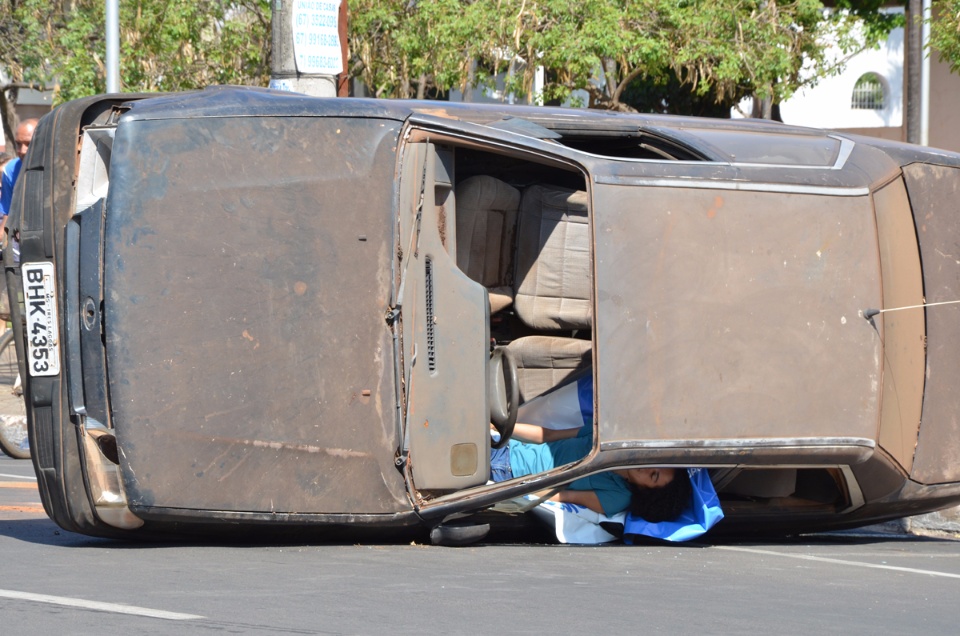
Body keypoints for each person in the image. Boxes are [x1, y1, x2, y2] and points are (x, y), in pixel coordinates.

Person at [490, 422, 692, 522]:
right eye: (654, 464)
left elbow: (561, 496)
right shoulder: (609, 439)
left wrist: (509, 489)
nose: (647, 468)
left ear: (647, 491)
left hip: (506, 473)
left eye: (653, 476)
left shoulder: (617, 497)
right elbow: (549, 435)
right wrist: (502, 425)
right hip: (503, 444)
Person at [0, 118, 39, 235]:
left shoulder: (60, 169)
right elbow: (8, 212)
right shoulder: (10, 171)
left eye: (29, 144)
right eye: (18, 144)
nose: (22, 150)